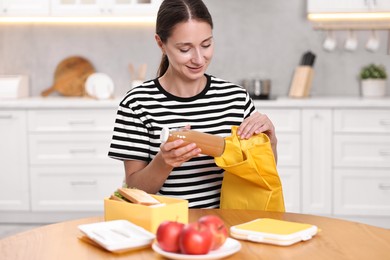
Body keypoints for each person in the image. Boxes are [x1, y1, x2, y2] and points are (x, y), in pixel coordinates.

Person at [108, 0, 277, 209]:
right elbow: (133, 191)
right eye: (185, 48)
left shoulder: (236, 99)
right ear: (161, 43)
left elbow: (260, 174)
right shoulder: (136, 103)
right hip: (167, 228)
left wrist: (271, 140)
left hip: (228, 227)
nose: (199, 58)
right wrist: (165, 161)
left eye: (206, 45)